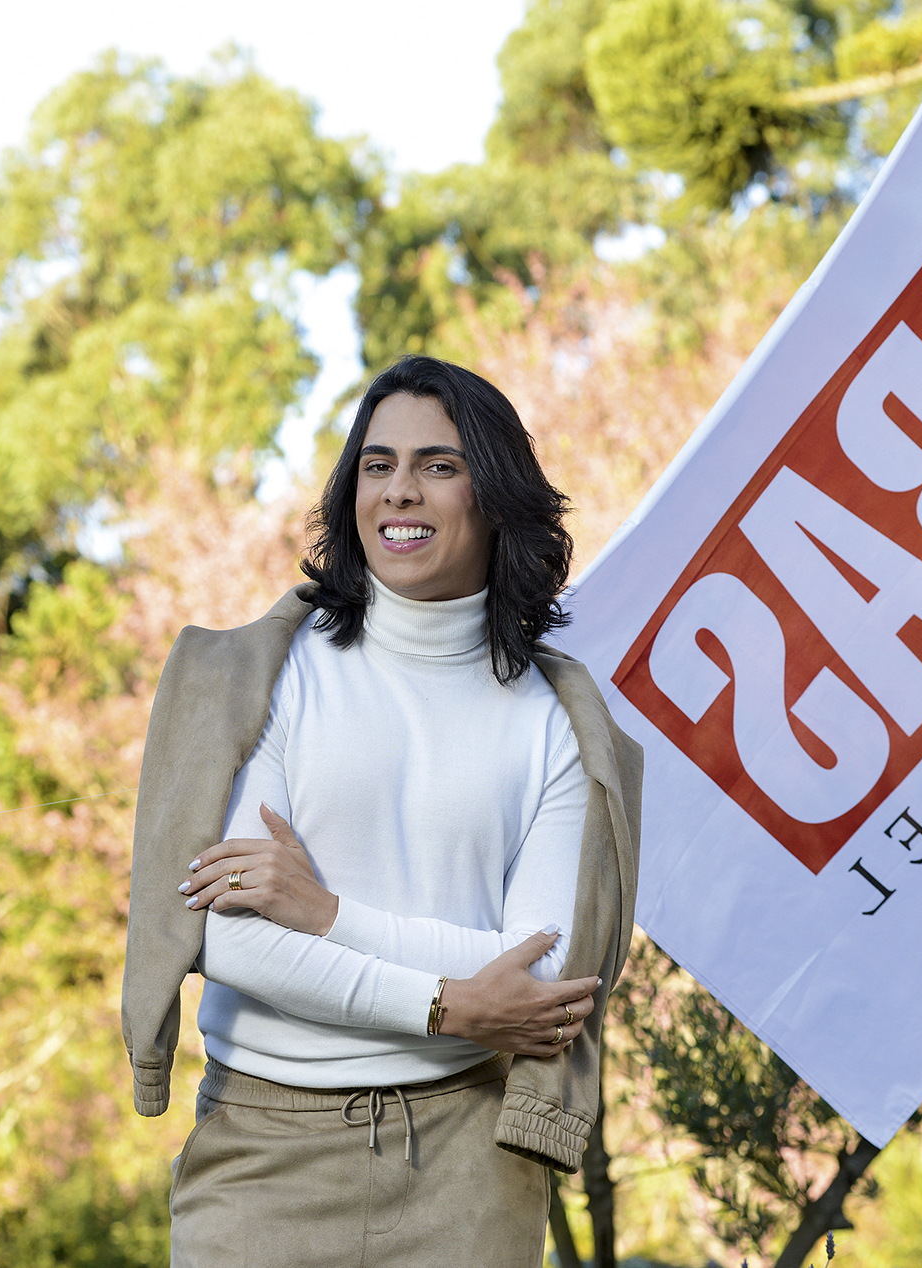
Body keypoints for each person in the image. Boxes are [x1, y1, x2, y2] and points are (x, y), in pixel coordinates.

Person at [119, 354, 642, 1266]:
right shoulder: (268, 672)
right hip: (261, 1157)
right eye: (377, 464)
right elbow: (233, 940)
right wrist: (449, 1005)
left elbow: (545, 981)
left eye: (439, 466)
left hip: (470, 1167)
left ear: (496, 497)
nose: (401, 492)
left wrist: (326, 916)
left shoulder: (558, 723)